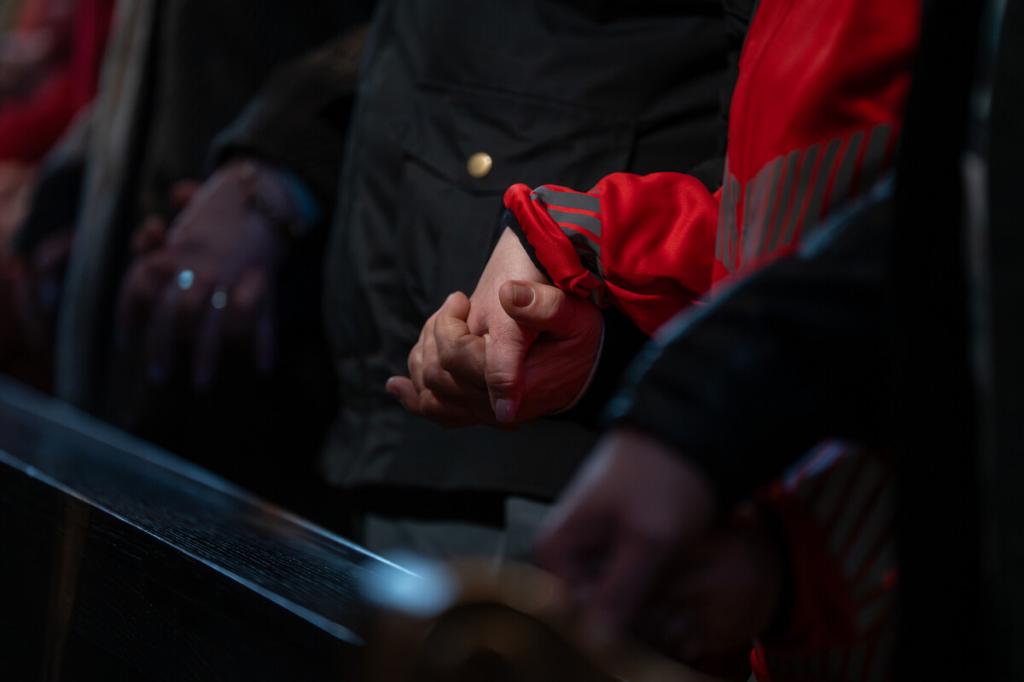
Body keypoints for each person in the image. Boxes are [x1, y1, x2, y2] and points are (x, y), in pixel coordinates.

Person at [391, 0, 919, 677]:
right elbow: (768, 236)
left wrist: (800, 563)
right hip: (767, 561)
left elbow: (943, 260)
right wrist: (578, 252)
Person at [311, 0, 750, 557]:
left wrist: (596, 304)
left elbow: (761, 158)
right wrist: (282, 156)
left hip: (554, 457)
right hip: (379, 425)